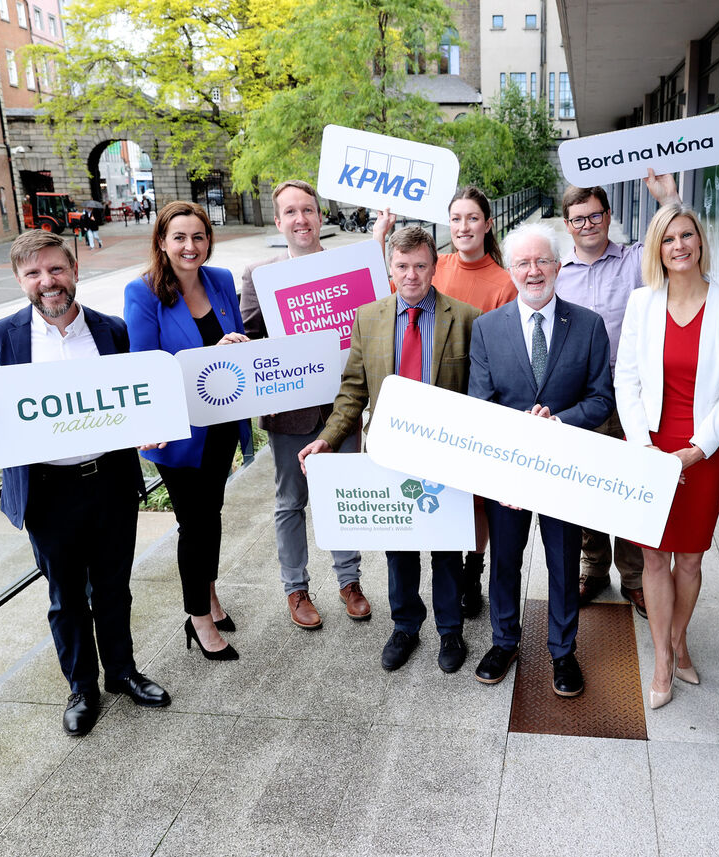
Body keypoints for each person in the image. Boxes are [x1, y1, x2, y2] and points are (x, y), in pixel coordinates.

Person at [0, 231, 170, 736]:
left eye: (55, 270)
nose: (47, 282)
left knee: (114, 587)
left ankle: (121, 673)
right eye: (34, 274)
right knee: (66, 596)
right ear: (20, 280)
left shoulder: (112, 331)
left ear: (74, 271)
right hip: (47, 492)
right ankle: (82, 688)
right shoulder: (0, 334)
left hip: (110, 482)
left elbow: (138, 394)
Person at [298, 227, 480, 674]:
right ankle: (405, 626)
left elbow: (478, 394)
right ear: (389, 268)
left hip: (445, 453)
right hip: (390, 453)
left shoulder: (468, 318)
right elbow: (353, 391)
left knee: (445, 547)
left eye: (420, 265)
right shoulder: (369, 318)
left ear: (434, 266)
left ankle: (450, 630)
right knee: (398, 544)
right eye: (402, 266)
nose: (411, 275)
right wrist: (329, 437)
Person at [615, 205, 719, 709]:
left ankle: (679, 641)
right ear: (657, 248)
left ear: (700, 241)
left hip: (703, 449)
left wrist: (695, 452)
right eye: (668, 238)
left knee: (690, 558)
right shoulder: (641, 302)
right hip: (650, 446)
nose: (679, 245)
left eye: (687, 235)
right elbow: (625, 379)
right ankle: (660, 661)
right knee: (653, 555)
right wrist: (644, 447)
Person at [467, 224, 614, 697]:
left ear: (557, 266)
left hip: (564, 470)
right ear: (511, 270)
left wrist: (559, 421)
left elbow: (600, 400)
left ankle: (563, 651)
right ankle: (504, 640)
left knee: (563, 562)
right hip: (508, 473)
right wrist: (521, 430)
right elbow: (481, 402)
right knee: (505, 561)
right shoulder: (487, 329)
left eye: (542, 261)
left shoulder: (588, 325)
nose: (534, 271)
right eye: (524, 263)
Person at [372, 186, 517, 619]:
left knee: (471, 505)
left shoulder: (503, 282)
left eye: (472, 218)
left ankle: (472, 571)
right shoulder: (436, 264)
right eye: (455, 219)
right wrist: (379, 237)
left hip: (466, 406)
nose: (463, 227)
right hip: (414, 415)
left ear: (487, 224)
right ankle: (416, 612)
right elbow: (389, 289)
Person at [123, 201, 251, 661]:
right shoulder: (143, 293)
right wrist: (210, 354)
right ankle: (197, 620)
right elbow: (146, 367)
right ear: (162, 241)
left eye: (198, 236)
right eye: (179, 237)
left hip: (220, 424)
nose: (190, 246)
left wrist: (237, 347)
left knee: (211, 515)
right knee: (194, 525)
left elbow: (235, 344)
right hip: (177, 434)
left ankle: (210, 598)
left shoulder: (220, 281)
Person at [239, 180, 368, 628]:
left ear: (320, 216)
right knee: (290, 502)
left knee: (343, 496)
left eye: (308, 210)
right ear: (278, 221)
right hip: (289, 414)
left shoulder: (344, 267)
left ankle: (349, 581)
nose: (301, 219)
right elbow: (250, 339)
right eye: (290, 212)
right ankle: (296, 589)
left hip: (341, 409)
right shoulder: (260, 277)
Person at [557, 170, 681, 618]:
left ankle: (634, 577)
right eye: (578, 219)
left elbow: (675, 244)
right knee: (589, 483)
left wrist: (668, 198)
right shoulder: (556, 273)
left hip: (632, 394)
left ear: (608, 216)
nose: (587, 225)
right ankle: (593, 567)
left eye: (594, 216)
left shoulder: (634, 261)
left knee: (630, 484)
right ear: (566, 224)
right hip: (580, 397)